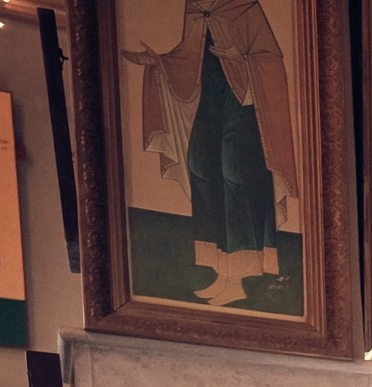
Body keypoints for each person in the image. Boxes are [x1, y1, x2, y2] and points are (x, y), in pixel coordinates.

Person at [125, 0, 301, 309]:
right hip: (211, 98)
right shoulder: (196, 7)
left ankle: (239, 277)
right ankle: (222, 269)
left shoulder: (243, 6)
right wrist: (157, 62)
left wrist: (240, 58)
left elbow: (271, 58)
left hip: (244, 104)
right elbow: (189, 57)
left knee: (234, 172)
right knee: (200, 165)